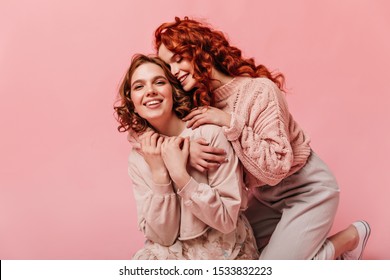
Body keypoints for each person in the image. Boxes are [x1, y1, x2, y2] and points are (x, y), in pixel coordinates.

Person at [150, 16, 371, 260]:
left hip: (308, 189)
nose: (174, 71)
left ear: (200, 50)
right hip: (265, 198)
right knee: (234, 254)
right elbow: (151, 125)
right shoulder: (201, 103)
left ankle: (349, 238)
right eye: (167, 66)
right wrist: (188, 148)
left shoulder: (260, 90)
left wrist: (229, 123)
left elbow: (274, 169)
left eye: (178, 58)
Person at [114, 54, 259, 260]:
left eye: (159, 82)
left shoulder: (209, 135)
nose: (150, 91)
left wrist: (180, 175)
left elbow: (226, 220)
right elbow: (163, 237)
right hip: (174, 255)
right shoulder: (140, 156)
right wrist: (160, 174)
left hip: (226, 252)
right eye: (139, 87)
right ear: (132, 101)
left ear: (173, 89)